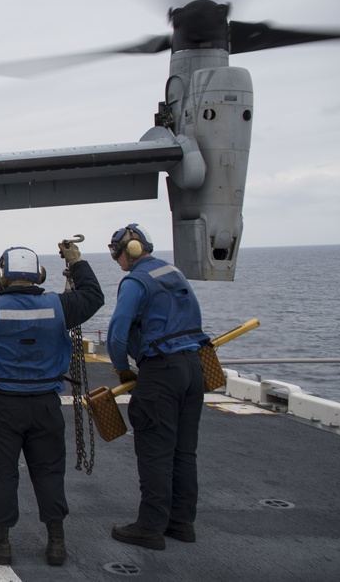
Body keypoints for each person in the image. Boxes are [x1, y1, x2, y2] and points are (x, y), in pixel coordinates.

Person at [0, 242, 103, 566]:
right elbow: (94, 297)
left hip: (5, 407)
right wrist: (77, 263)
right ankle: (56, 543)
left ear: (0, 276)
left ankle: (0, 542)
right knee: (50, 472)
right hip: (46, 407)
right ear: (39, 275)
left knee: (3, 473)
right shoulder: (60, 307)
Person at [106, 224, 209, 551]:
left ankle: (150, 527)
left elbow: (118, 332)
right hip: (194, 369)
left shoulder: (136, 280)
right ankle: (181, 522)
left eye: (116, 253)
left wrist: (122, 368)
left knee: (155, 450)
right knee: (183, 449)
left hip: (162, 372)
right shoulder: (174, 273)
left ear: (130, 249)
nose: (117, 260)